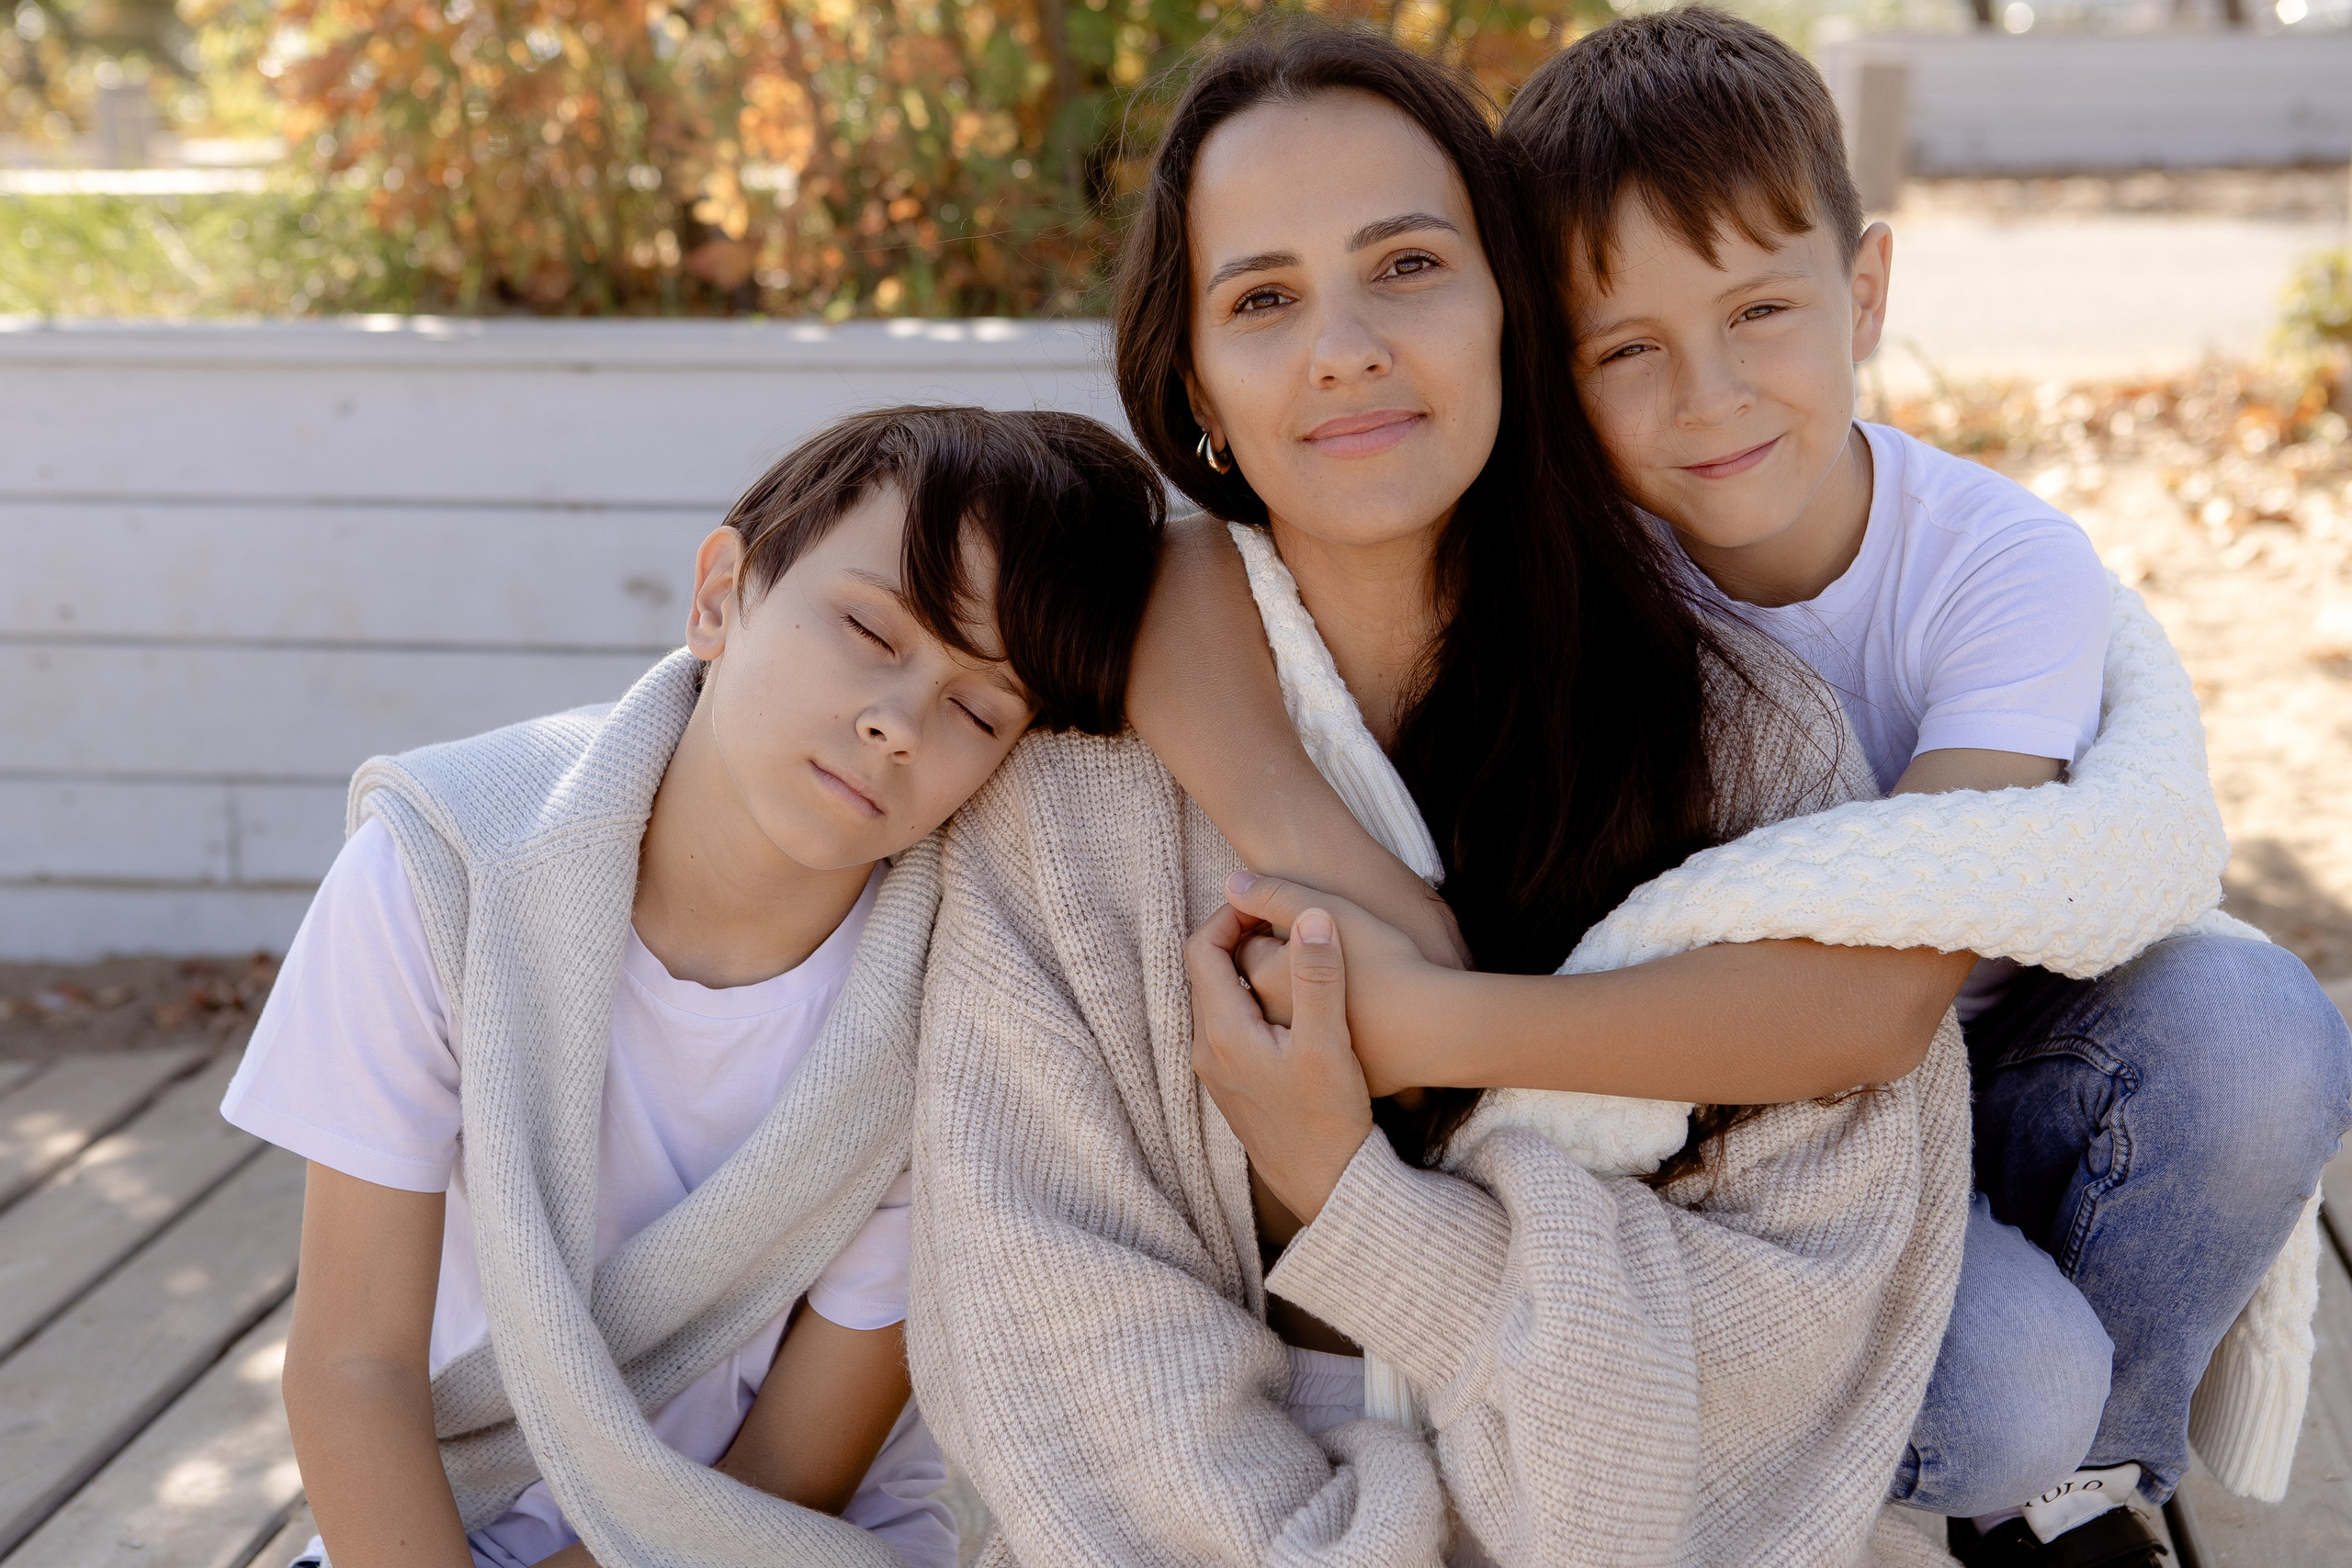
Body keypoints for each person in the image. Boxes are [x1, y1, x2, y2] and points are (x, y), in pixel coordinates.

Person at [1136, 11, 2352, 1565]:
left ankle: (2082, 1495)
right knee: (2002, 1379)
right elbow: (1178, 569)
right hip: (1746, 1148)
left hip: (1976, 1061)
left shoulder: (1993, 568)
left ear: (1865, 292)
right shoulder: (1584, 557)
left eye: (1761, 312)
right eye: (1627, 350)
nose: (1707, 398)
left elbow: (1892, 979)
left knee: (2253, 1028)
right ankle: (2003, 1447)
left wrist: (1420, 1016)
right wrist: (1307, 842)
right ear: (1549, 362)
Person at [906, 23, 1972, 1565]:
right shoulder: (1072, 801)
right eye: (1262, 299)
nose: (1343, 346)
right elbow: (1053, 1322)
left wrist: (1358, 1205)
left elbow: (1805, 1300)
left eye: (1407, 264)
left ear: (1511, 315)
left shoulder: (1745, 736)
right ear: (1196, 377)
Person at [220, 406, 1164, 1568]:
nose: (898, 722)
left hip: (775, 1536)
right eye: (870, 630)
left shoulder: (961, 997)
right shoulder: (443, 868)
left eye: (979, 708)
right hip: (444, 1525)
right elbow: (352, 1363)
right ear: (721, 594)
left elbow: (795, 1464)